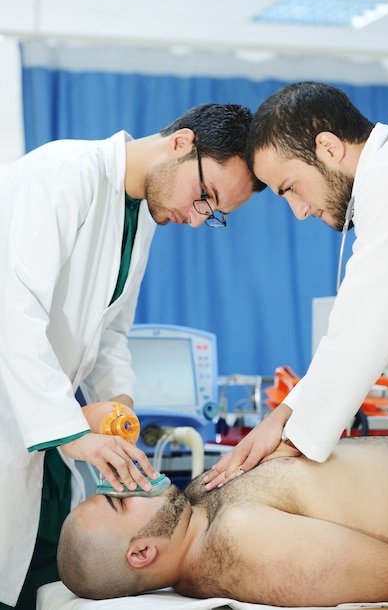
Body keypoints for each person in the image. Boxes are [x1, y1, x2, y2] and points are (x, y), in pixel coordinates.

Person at [0, 103, 265, 610]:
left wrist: (118, 405)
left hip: (42, 435)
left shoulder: (139, 216)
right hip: (27, 419)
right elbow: (14, 310)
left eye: (213, 215)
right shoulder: (62, 174)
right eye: (204, 197)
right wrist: (75, 433)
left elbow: (112, 333)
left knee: (37, 578)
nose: (195, 218)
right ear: (182, 141)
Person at [204, 81, 388, 490]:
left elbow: (363, 327)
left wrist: (292, 439)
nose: (299, 211)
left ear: (329, 147)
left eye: (290, 188)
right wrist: (285, 414)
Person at [57, 436, 388, 606]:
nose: (126, 483)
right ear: (142, 553)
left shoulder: (196, 501)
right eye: (118, 503)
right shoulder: (245, 548)